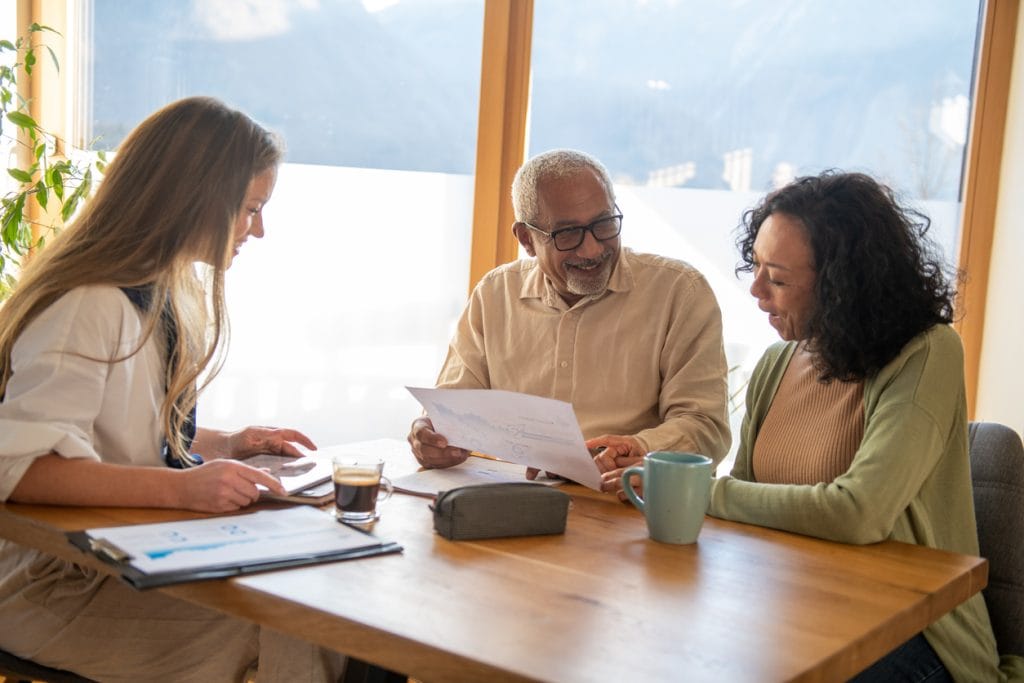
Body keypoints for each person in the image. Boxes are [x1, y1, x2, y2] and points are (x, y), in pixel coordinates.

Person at [0, 97, 347, 682]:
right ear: (197, 199)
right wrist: (183, 490)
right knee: (305, 628)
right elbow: (23, 468)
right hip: (46, 581)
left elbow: (116, 433)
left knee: (321, 618)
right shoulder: (88, 304)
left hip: (111, 557)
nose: (257, 230)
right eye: (250, 209)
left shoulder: (159, 292)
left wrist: (227, 443)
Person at [707, 171, 1022, 681]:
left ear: (841, 288)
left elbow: (859, 512)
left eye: (779, 278)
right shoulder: (775, 364)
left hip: (915, 632)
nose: (756, 290)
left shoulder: (926, 352)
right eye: (757, 265)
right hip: (787, 607)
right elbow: (740, 506)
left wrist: (705, 493)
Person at [407, 149, 730, 493]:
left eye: (604, 224)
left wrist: (642, 448)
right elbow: (454, 407)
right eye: (567, 234)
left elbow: (705, 426)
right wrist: (429, 432)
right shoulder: (495, 293)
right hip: (508, 499)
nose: (591, 250)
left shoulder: (679, 291)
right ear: (527, 239)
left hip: (624, 504)